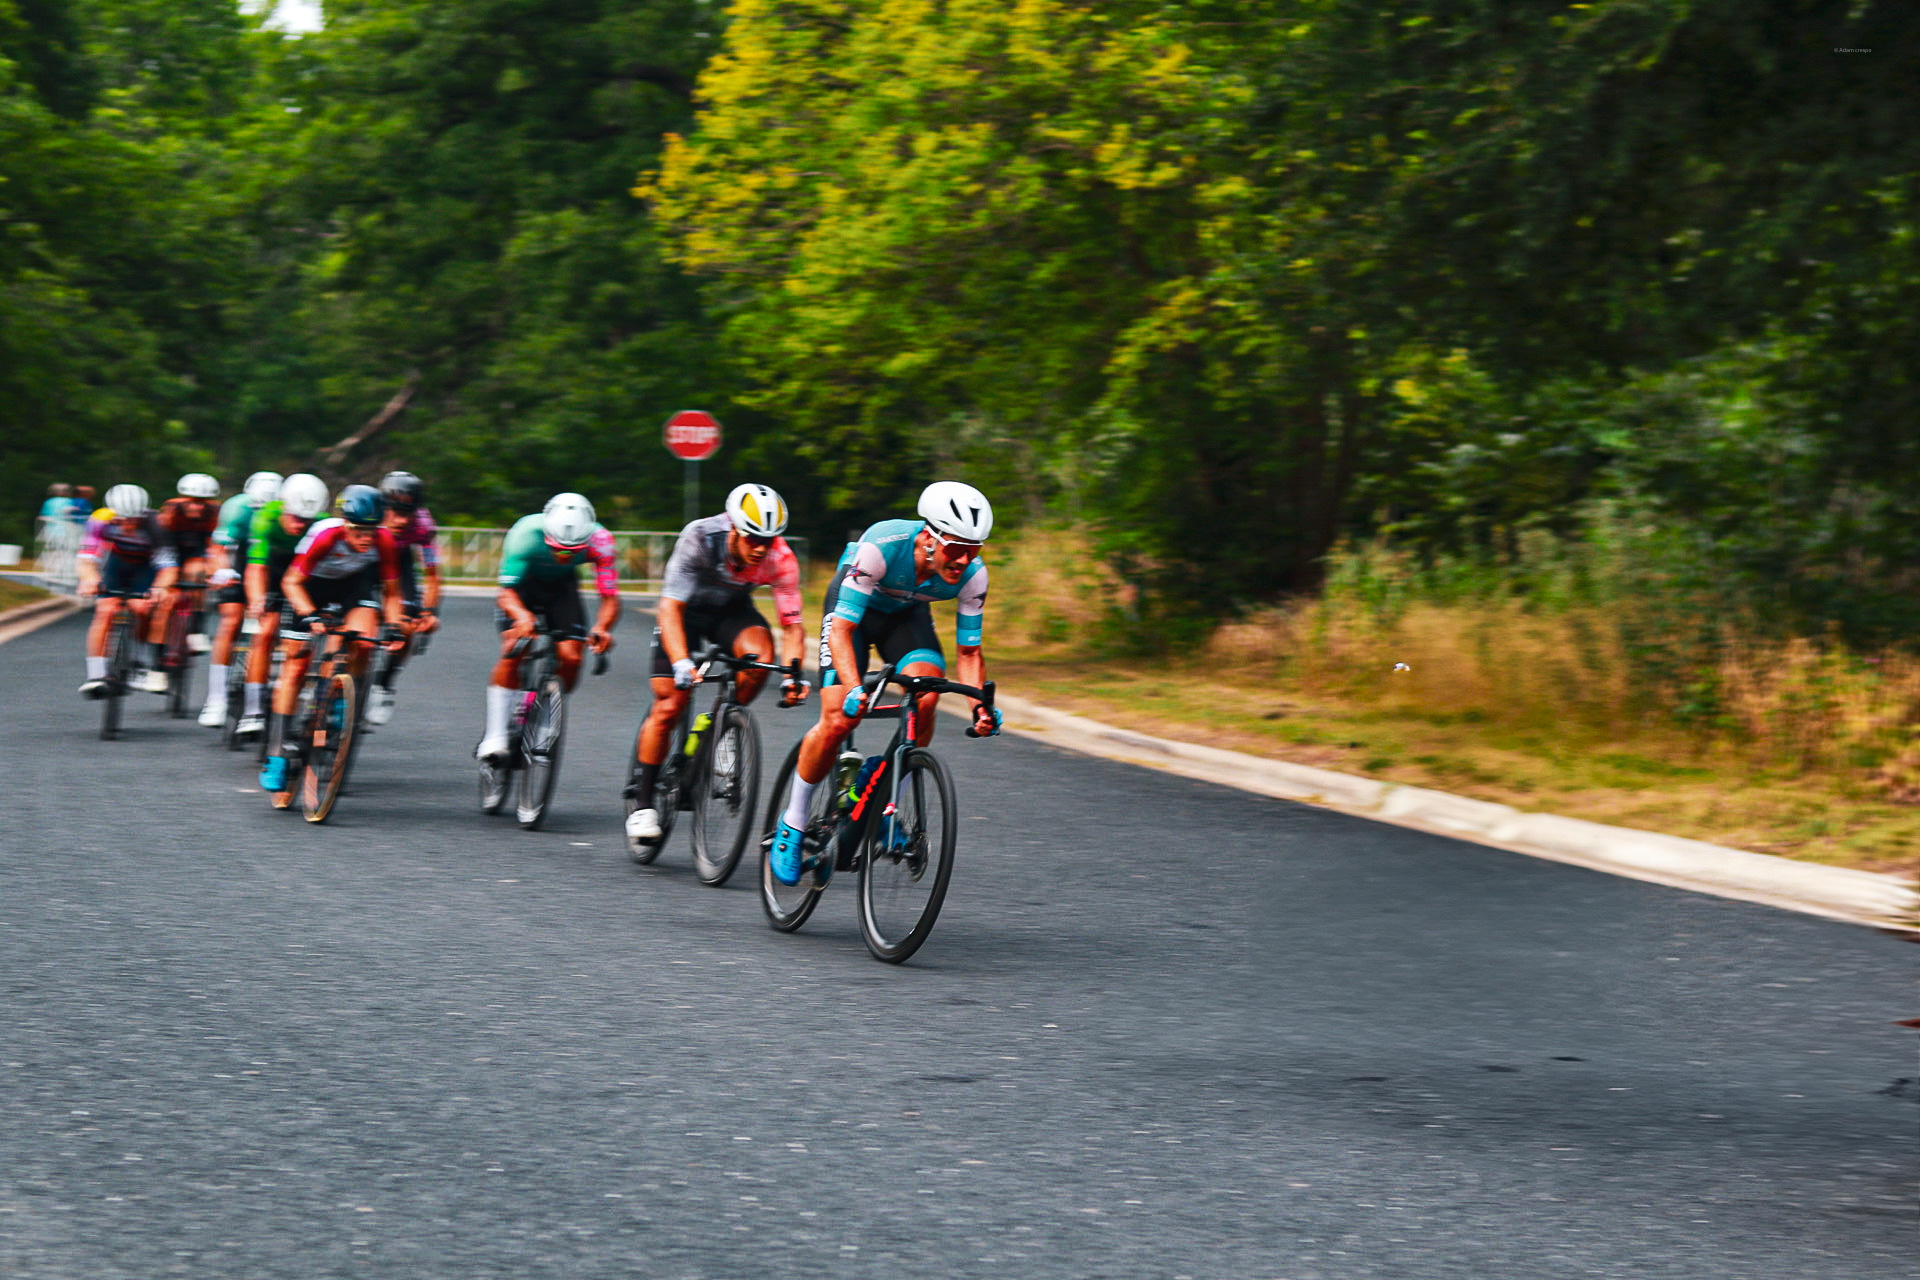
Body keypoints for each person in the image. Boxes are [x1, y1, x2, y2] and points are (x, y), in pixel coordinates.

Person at [768, 481, 1002, 886]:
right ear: (929, 538)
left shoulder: (973, 577)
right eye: (956, 549)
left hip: (906, 619)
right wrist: (856, 688)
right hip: (851, 617)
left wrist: (978, 705)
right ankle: (793, 821)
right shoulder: (882, 545)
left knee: (927, 697)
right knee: (840, 717)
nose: (964, 560)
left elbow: (969, 654)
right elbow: (841, 630)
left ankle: (882, 800)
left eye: (974, 550)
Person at [624, 484, 811, 844]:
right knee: (670, 704)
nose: (760, 548)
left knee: (760, 660)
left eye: (768, 541)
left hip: (731, 613)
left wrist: (792, 676)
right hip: (686, 613)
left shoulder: (781, 558)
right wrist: (680, 662)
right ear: (733, 528)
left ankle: (727, 727)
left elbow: (793, 626)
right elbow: (670, 607)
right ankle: (644, 804)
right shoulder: (700, 537)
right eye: (752, 538)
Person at [258, 485, 407, 802]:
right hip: (309, 587)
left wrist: (394, 627)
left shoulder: (384, 540)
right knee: (295, 666)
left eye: (371, 531)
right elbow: (291, 582)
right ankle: (277, 753)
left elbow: (392, 593)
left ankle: (341, 700)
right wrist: (309, 615)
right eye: (358, 532)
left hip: (352, 588)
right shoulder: (326, 535)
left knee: (364, 643)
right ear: (344, 525)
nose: (366, 539)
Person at [478, 493, 619, 762]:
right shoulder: (525, 534)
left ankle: (546, 716)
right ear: (546, 535)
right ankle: (494, 735)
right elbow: (506, 592)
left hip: (562, 589)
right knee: (514, 649)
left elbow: (610, 598)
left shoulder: (602, 542)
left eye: (573, 552)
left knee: (572, 657)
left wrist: (603, 627)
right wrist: (521, 617)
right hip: (523, 587)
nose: (564, 555)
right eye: (557, 548)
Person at [236, 473, 330, 738]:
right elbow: (256, 567)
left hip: (302, 575)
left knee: (306, 641)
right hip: (272, 571)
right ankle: (252, 711)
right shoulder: (265, 518)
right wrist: (257, 599)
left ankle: (297, 698)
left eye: (306, 520)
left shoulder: (322, 524)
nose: (300, 525)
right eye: (294, 517)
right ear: (283, 506)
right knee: (265, 632)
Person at [76, 485, 178, 698]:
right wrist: (90, 579)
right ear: (114, 513)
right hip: (117, 564)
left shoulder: (155, 525)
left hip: (145, 567)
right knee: (105, 610)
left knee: (141, 607)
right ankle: (96, 675)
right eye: (123, 520)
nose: (129, 524)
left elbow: (168, 567)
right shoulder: (100, 520)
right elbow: (87, 557)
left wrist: (160, 588)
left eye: (134, 519)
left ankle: (139, 664)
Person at [199, 471, 282, 727]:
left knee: (274, 624)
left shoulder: (285, 516)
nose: (261, 514)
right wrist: (223, 570)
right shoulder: (237, 509)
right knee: (231, 620)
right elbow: (218, 548)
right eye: (258, 507)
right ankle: (216, 699)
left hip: (272, 562)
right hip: (241, 560)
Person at [366, 470, 441, 726]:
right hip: (367, 558)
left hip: (399, 563)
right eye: (394, 512)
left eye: (407, 514)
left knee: (407, 628)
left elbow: (432, 575)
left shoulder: (423, 526)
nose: (400, 521)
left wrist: (429, 612)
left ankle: (384, 684)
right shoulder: (369, 510)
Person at [149, 473, 223, 686]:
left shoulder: (215, 512)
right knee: (165, 605)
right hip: (171, 552)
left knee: (197, 571)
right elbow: (160, 544)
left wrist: (214, 570)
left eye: (202, 502)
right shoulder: (171, 510)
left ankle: (197, 629)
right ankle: (156, 668)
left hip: (197, 552)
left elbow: (215, 546)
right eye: (192, 501)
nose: (197, 507)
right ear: (183, 498)